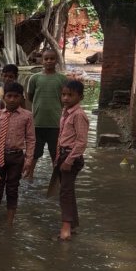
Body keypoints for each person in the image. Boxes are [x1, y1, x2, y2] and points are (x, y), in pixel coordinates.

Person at [0, 82, 34, 226]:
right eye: (9, 96)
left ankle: (9, 223)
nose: (12, 99)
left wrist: (29, 160)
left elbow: (31, 139)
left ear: (21, 98)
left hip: (16, 156)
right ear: (4, 97)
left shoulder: (27, 116)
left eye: (16, 96)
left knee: (12, 189)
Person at [25, 49, 67, 175]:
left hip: (56, 124)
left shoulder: (62, 79)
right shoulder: (34, 78)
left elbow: (65, 99)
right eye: (46, 59)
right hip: (37, 123)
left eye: (52, 59)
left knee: (56, 154)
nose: (49, 61)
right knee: (34, 154)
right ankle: (29, 176)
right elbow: (30, 97)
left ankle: (56, 180)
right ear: (41, 61)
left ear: (56, 61)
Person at [57, 80, 89, 240]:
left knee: (65, 192)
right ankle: (73, 225)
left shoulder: (79, 115)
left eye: (70, 95)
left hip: (72, 157)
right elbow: (62, 136)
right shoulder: (66, 112)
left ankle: (66, 228)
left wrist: (69, 160)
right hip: (63, 154)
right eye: (64, 94)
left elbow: (82, 142)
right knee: (67, 190)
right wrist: (58, 157)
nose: (66, 98)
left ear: (80, 97)